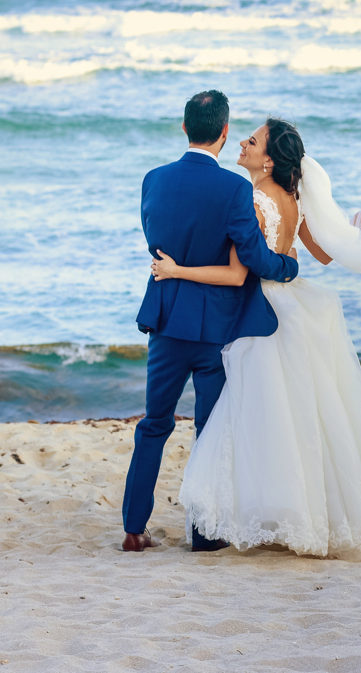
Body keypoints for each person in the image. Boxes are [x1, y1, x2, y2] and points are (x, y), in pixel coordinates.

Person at [151, 117, 361, 558]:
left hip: (259, 310)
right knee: (301, 415)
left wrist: (181, 268)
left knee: (256, 415)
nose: (242, 142)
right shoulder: (294, 199)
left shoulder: (252, 199)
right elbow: (323, 253)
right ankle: (306, 512)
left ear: (268, 160)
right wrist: (357, 223)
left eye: (253, 140)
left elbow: (244, 270)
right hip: (293, 304)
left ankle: (256, 514)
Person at [122, 91, 299, 553]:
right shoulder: (234, 189)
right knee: (209, 431)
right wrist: (290, 267)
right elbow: (256, 258)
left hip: (164, 321)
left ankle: (134, 529)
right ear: (223, 132)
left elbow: (157, 245)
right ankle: (203, 535)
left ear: (184, 128)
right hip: (215, 329)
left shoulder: (153, 180)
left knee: (154, 423)